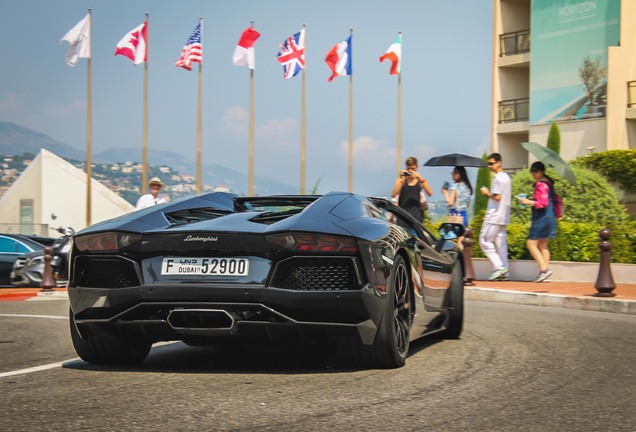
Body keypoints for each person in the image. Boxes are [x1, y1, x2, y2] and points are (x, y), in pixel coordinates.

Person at [517, 161, 557, 283]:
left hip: (541, 219)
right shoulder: (549, 183)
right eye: (532, 171)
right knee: (543, 245)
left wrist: (528, 202)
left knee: (531, 244)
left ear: (542, 171)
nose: (533, 173)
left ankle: (543, 270)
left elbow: (542, 203)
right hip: (550, 217)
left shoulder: (541, 184)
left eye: (536, 171)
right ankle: (544, 273)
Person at [479, 153, 511, 281]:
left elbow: (497, 197)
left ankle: (499, 267)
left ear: (499, 163)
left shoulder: (497, 178)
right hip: (503, 216)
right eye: (489, 164)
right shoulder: (507, 178)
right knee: (501, 244)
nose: (490, 166)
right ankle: (505, 273)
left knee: (484, 241)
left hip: (494, 216)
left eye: (492, 163)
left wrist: (487, 193)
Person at [391, 156, 433, 224]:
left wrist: (420, 177)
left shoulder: (421, 182)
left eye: (413, 169)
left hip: (416, 217)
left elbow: (430, 193)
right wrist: (402, 179)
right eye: (408, 169)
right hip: (403, 216)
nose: (410, 171)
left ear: (417, 167)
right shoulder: (400, 181)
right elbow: (393, 194)